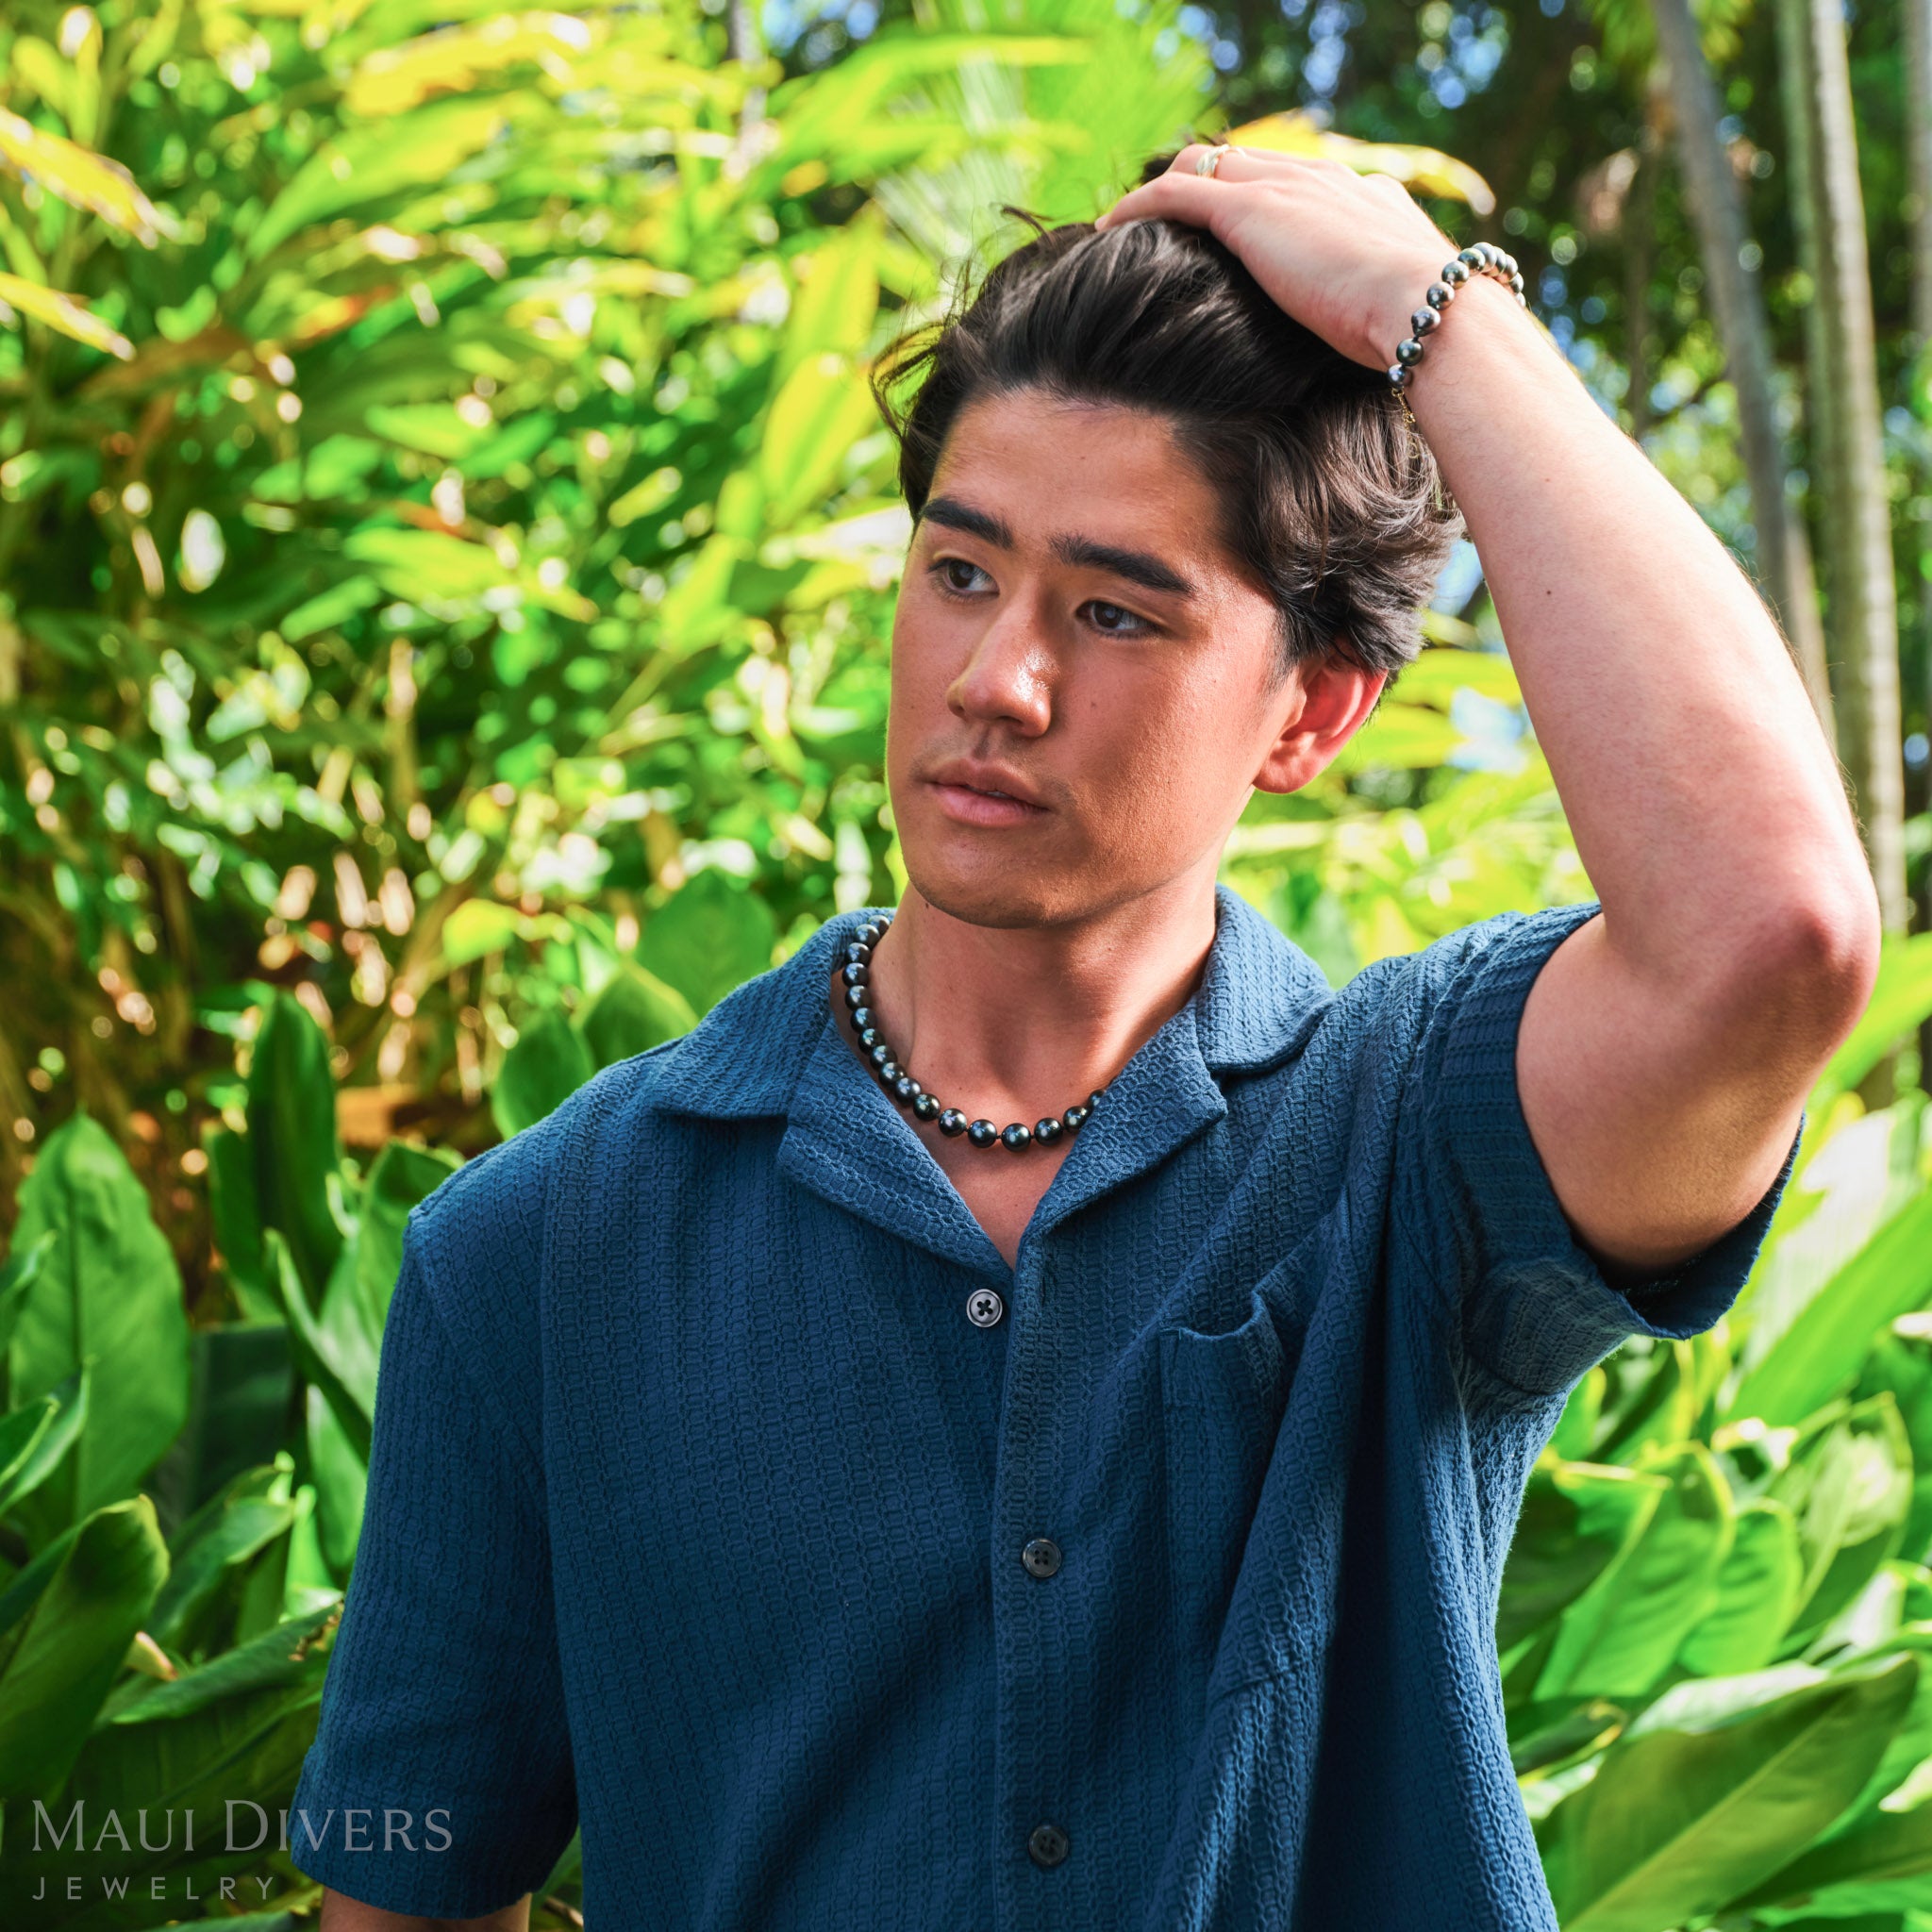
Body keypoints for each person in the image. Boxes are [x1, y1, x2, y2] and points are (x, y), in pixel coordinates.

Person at [294, 146, 1877, 1932]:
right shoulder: (540, 1248)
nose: (999, 680)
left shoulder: (1408, 1141)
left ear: (1315, 709)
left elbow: (1772, 939)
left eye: (1116, 612)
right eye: (960, 573)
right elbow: (405, 1896)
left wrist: (1442, 320)